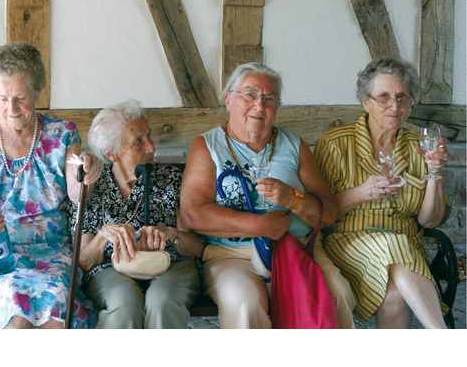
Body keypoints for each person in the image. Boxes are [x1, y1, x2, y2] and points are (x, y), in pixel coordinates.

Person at [0, 41, 101, 329]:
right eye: (2, 98)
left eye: (20, 97)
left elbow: (75, 193)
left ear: (37, 91)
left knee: (56, 304)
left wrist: (87, 174)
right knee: (15, 305)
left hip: (51, 250)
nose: (11, 108)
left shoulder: (64, 134)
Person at [180, 62, 338, 329]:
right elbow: (193, 213)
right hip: (231, 254)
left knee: (337, 294)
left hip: (297, 248)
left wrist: (293, 199)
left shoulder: (294, 145)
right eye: (249, 95)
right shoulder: (206, 146)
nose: (259, 105)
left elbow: (329, 213)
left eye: (269, 98)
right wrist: (260, 226)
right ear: (228, 100)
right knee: (246, 303)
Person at [313, 57, 451, 329]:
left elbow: (428, 221)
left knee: (395, 295)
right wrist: (360, 193)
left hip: (408, 248)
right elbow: (319, 213)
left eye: (402, 97)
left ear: (411, 101)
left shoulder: (418, 146)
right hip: (349, 244)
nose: (395, 105)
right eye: (384, 97)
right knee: (392, 244)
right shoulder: (336, 143)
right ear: (365, 101)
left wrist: (434, 173)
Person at [68, 99, 204, 329]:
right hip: (111, 269)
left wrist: (172, 234)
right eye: (138, 141)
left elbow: (198, 247)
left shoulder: (171, 178)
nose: (151, 147)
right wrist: (103, 236)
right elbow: (83, 261)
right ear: (111, 153)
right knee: (124, 303)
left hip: (172, 263)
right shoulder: (91, 187)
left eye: (149, 136)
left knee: (162, 302)